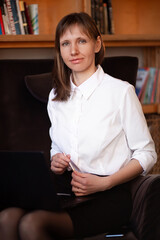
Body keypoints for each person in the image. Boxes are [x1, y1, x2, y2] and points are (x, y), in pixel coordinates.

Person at [0, 12, 157, 240]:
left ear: (97, 44)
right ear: (59, 49)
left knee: (32, 224)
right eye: (66, 43)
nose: (73, 51)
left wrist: (105, 182)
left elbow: (147, 152)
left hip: (111, 194)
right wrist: (56, 161)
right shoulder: (56, 96)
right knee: (6, 217)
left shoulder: (121, 92)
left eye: (81, 41)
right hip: (66, 190)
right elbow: (56, 145)